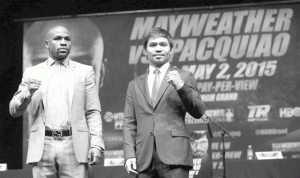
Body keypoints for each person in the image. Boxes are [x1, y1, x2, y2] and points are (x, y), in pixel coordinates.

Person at [9, 25, 105, 177]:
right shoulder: (32, 72)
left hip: (74, 144)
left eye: (67, 39)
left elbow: (93, 111)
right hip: (43, 144)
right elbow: (14, 110)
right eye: (57, 38)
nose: (63, 42)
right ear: (47, 44)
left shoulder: (84, 72)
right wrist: (27, 92)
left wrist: (96, 143)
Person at [123, 27, 205, 178]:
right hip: (144, 158)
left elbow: (198, 111)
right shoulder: (134, 84)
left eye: (163, 44)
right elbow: (129, 122)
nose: (158, 49)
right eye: (153, 45)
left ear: (171, 49)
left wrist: (181, 86)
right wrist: (129, 154)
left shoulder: (185, 77)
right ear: (145, 50)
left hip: (175, 156)